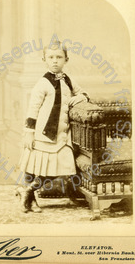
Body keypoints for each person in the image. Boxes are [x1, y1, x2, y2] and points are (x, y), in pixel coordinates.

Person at [16, 40, 89, 213]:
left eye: (59, 57)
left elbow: (82, 93)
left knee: (60, 167)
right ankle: (30, 196)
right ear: (44, 60)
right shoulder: (42, 83)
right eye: (51, 57)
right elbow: (32, 109)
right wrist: (29, 133)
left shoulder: (68, 80)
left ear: (66, 60)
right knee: (37, 167)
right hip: (44, 134)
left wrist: (80, 98)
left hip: (62, 136)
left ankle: (27, 190)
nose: (55, 61)